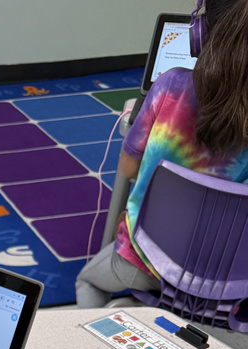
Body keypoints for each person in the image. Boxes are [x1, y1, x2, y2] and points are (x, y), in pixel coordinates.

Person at [76, 0, 248, 308]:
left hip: (147, 264)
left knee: (87, 279)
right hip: (232, 282)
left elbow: (129, 169)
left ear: (199, 33)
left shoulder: (171, 86)